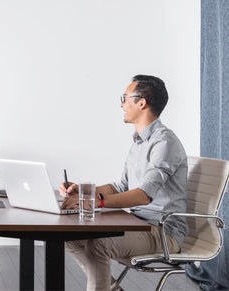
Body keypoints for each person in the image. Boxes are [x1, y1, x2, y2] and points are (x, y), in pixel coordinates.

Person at [60, 75, 188, 291]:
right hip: (138, 223)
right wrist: (81, 190)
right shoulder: (139, 141)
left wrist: (98, 202)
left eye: (125, 98)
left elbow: (143, 195)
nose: (121, 104)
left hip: (162, 232)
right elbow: (121, 186)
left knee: (98, 244)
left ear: (142, 102)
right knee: (70, 239)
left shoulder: (164, 143)